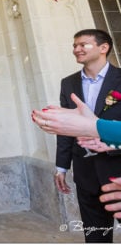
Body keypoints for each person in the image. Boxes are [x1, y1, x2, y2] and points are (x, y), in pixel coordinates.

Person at [54, 29, 121, 243]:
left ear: (104, 48)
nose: (76, 49)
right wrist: (61, 167)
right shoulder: (68, 83)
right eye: (75, 45)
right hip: (85, 171)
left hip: (118, 169)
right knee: (95, 235)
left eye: (83, 44)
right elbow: (65, 127)